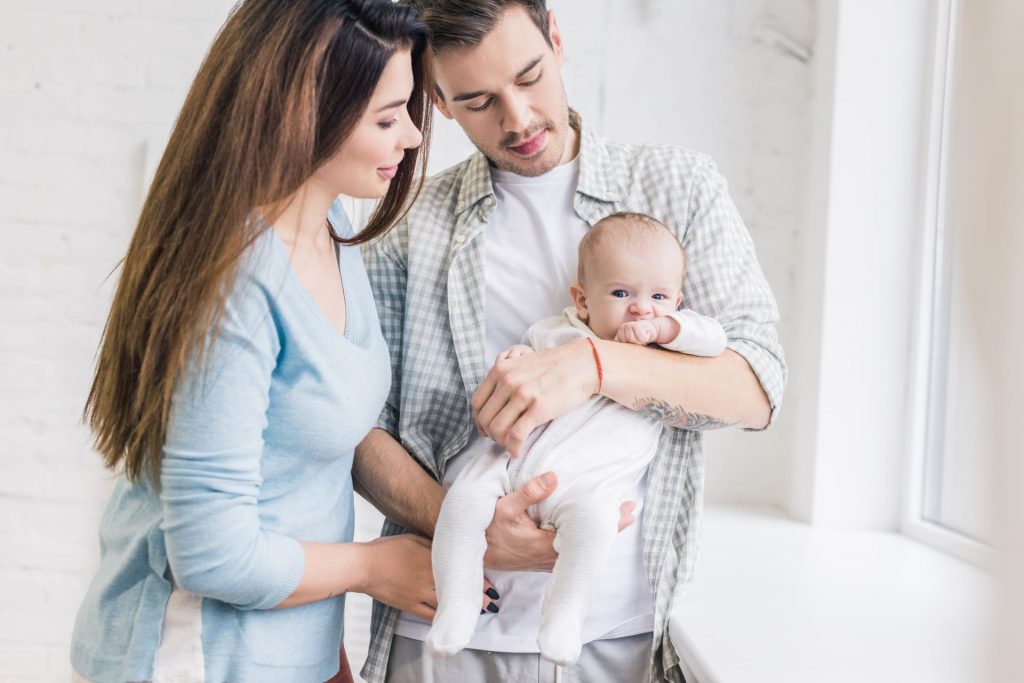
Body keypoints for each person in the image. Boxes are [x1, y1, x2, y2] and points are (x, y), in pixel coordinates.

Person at [355, 1, 787, 681]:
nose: (518, 119)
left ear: (556, 37)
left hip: (617, 634)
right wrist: (462, 523)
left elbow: (757, 387)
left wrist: (594, 363)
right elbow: (358, 431)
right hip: (443, 637)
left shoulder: (679, 189)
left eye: (530, 77)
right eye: (478, 102)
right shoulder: (408, 224)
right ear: (436, 99)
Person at [70, 1, 439, 681]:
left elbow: (330, 428)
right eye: (387, 119)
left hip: (294, 644)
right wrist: (371, 567)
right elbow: (213, 556)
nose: (413, 136)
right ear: (306, 112)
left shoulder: (329, 222)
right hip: (203, 657)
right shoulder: (236, 279)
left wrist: (461, 520)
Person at [427, 213, 727, 666]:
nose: (641, 309)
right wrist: (516, 358)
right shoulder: (558, 332)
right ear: (583, 300)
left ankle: (565, 614)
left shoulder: (668, 349)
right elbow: (526, 360)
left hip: (590, 484)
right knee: (462, 502)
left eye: (659, 297)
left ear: (676, 302)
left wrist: (666, 329)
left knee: (594, 526)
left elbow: (715, 339)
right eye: (622, 294)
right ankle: (457, 599)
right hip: (513, 465)